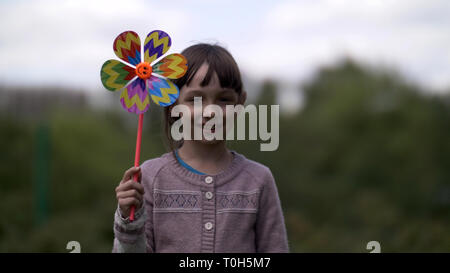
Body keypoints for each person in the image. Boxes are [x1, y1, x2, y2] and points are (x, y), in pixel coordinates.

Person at [112, 43, 289, 253]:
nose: (210, 111)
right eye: (195, 100)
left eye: (224, 100)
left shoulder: (258, 179)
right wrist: (129, 221)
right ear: (173, 103)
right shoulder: (150, 177)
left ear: (240, 103)